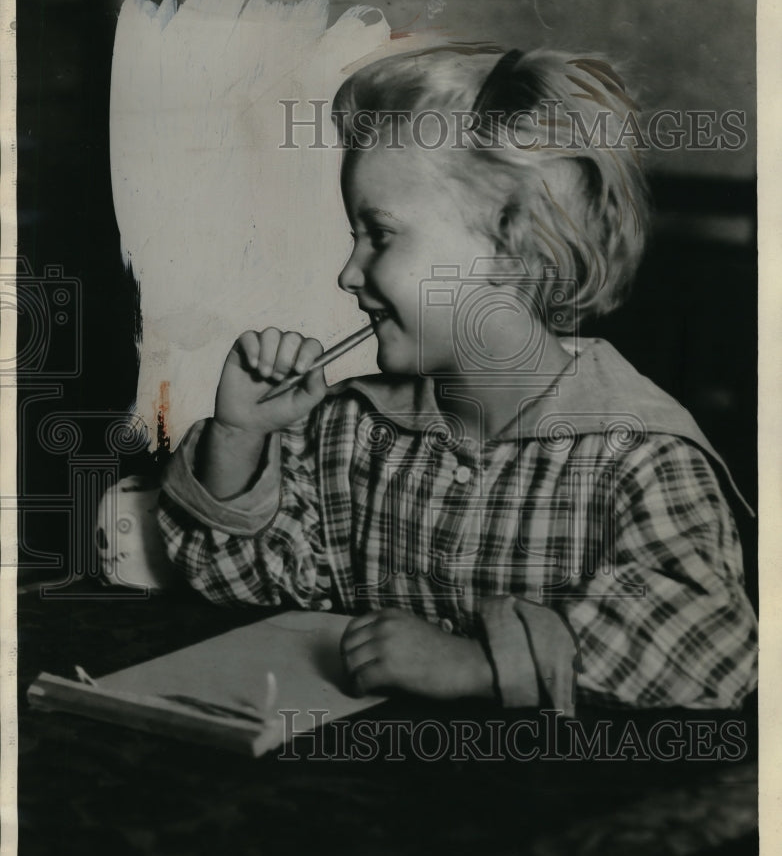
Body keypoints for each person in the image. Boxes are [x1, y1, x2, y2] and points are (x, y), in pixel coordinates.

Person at [158, 46, 758, 715]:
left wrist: (478, 664)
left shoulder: (639, 452)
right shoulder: (351, 432)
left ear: (513, 243)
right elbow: (241, 586)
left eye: (379, 236)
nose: (348, 274)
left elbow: (716, 645)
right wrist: (239, 439)